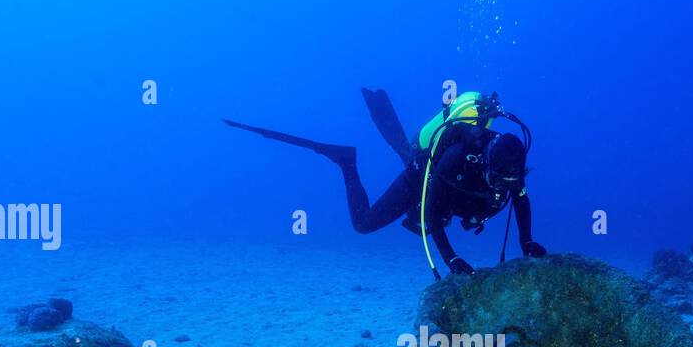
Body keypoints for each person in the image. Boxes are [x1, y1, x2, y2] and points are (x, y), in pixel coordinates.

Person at [225, 89, 546, 278]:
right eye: (498, 179)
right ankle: (346, 161)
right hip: (424, 178)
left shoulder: (511, 168)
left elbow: (520, 199)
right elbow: (432, 214)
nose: (504, 186)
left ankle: (394, 133)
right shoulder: (458, 156)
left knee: (410, 161)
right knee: (364, 224)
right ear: (487, 161)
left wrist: (527, 241)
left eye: (511, 180)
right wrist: (450, 258)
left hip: (455, 196)